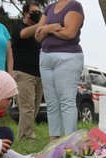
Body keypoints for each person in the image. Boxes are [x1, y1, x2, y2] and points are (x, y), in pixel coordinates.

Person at [35, 0, 84, 142]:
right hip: (45, 57)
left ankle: (69, 144)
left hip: (67, 57)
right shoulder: (49, 8)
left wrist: (45, 30)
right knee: (51, 103)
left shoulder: (74, 6)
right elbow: (38, 36)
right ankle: (53, 144)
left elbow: (70, 33)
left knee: (67, 101)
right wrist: (49, 28)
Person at [11, 3, 43, 141]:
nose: (37, 14)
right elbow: (23, 34)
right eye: (34, 12)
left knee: (34, 108)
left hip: (38, 74)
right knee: (27, 107)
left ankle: (25, 133)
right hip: (23, 74)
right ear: (25, 13)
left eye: (39, 12)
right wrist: (42, 23)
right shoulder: (19, 26)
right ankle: (26, 137)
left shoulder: (37, 32)